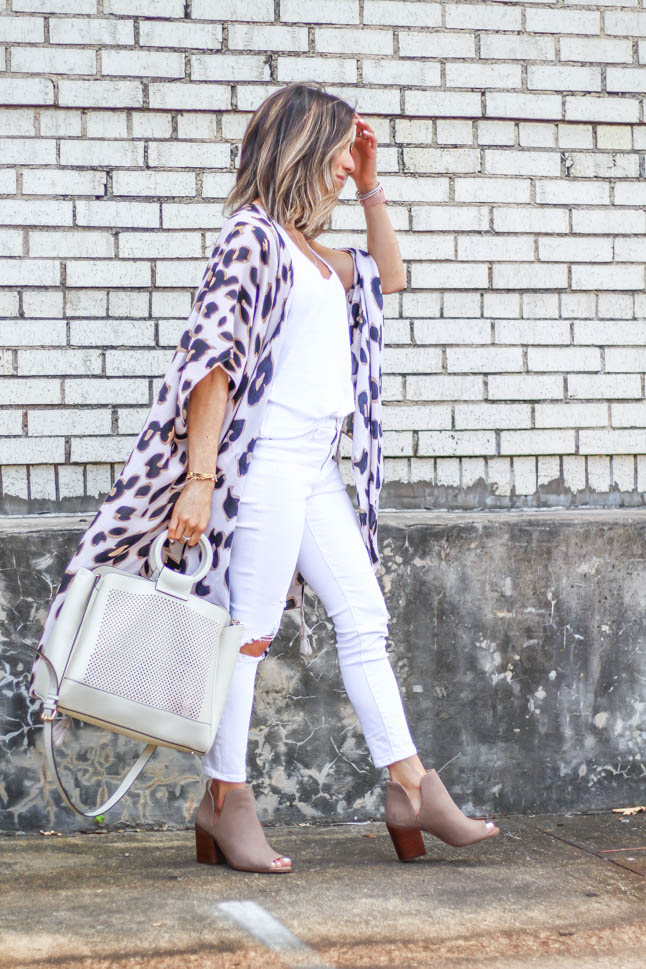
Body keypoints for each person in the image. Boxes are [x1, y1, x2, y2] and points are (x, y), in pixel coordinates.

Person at [34, 83, 499, 873]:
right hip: (263, 465)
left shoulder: (311, 251)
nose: (336, 171)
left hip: (316, 468)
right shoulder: (251, 238)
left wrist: (370, 184)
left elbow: (389, 276)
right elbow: (211, 361)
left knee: (363, 615)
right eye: (333, 156)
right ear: (299, 150)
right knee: (245, 636)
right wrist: (201, 478)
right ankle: (225, 798)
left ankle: (410, 785)